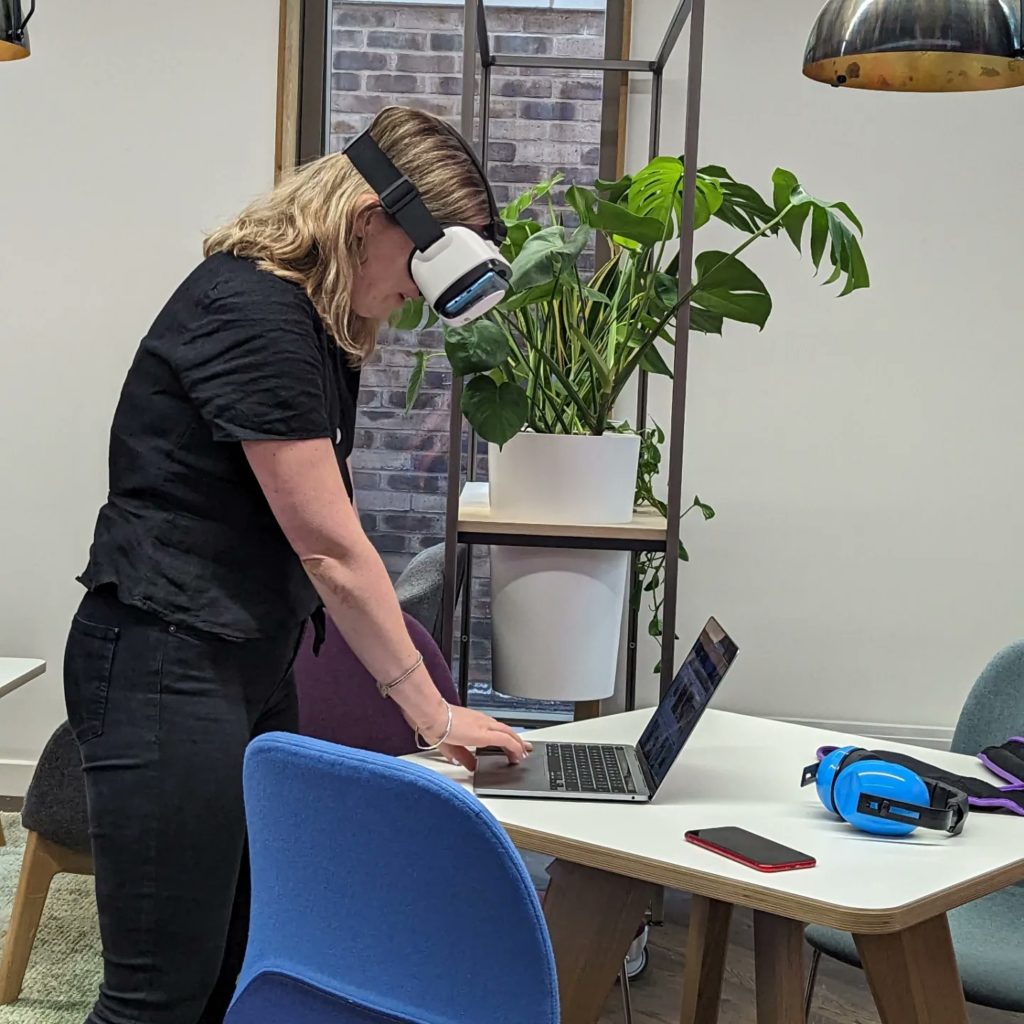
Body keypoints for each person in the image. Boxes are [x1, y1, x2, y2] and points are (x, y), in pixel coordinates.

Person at [62, 104, 530, 1024]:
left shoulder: (307, 323)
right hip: (166, 663)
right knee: (156, 994)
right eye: (417, 270)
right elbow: (329, 544)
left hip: (241, 661)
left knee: (233, 963)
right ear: (368, 221)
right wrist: (431, 716)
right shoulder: (252, 310)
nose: (414, 302)